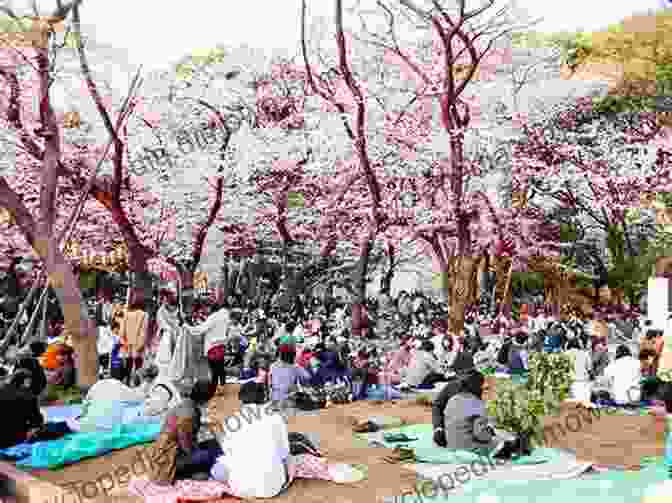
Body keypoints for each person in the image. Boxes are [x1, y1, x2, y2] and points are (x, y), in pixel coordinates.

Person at [145, 379, 221, 483]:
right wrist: (200, 451)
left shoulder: (186, 404)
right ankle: (186, 473)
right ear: (207, 398)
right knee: (212, 453)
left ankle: (193, 470)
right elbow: (186, 447)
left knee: (211, 445)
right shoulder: (190, 414)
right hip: (167, 461)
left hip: (163, 454)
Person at [432, 370, 522, 458]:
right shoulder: (476, 403)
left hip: (451, 443)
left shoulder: (452, 399)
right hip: (471, 447)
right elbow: (480, 433)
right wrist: (491, 433)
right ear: (477, 387)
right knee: (503, 442)